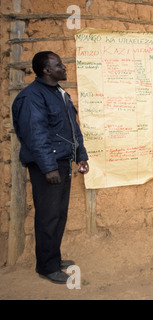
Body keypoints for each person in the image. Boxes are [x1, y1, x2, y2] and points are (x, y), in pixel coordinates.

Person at [12, 51, 89, 284]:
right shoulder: (32, 97)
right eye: (59, 65)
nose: (64, 68)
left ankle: (53, 259)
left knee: (58, 214)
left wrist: (81, 156)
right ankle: (46, 266)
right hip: (48, 166)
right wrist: (48, 168)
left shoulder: (59, 94)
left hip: (63, 163)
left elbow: (72, 129)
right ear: (46, 70)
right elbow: (35, 135)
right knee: (48, 217)